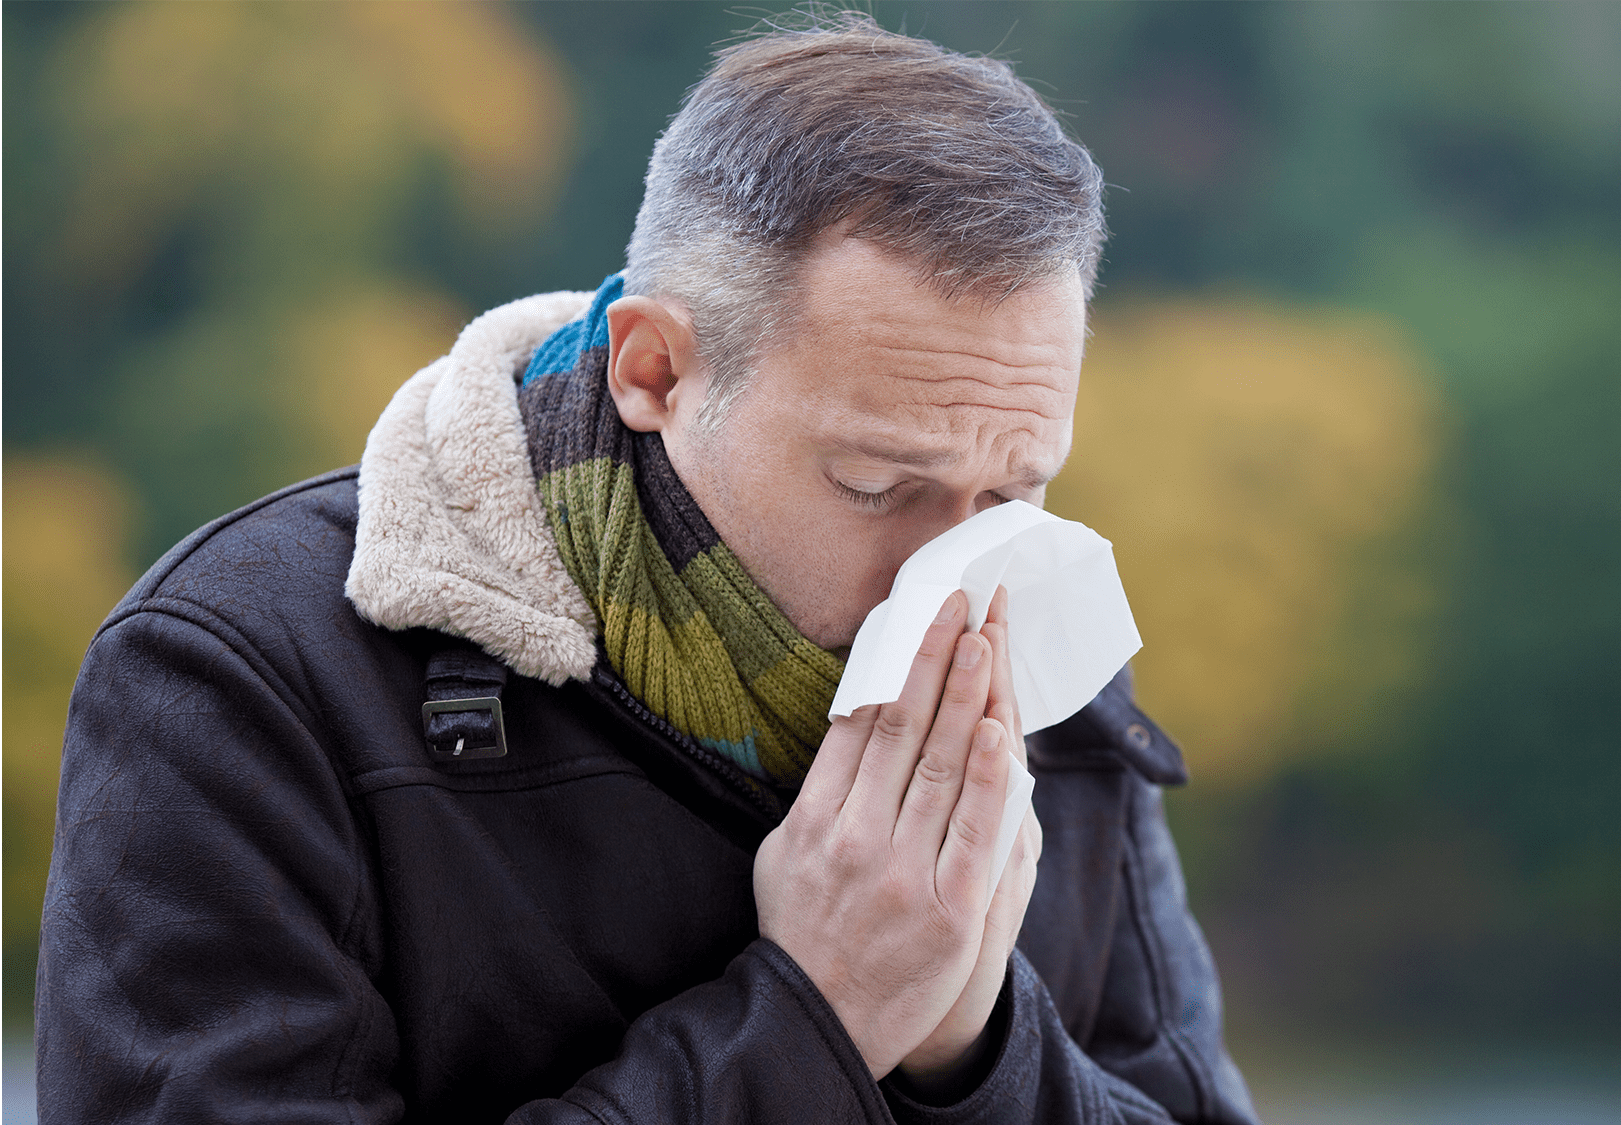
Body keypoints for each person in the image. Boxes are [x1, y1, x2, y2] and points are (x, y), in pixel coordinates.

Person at [37, 14, 1258, 1124]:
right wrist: (813, 1022)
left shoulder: (1040, 673)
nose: (951, 572)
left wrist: (973, 1050)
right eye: (876, 485)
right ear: (654, 372)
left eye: (1011, 491)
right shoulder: (244, 679)